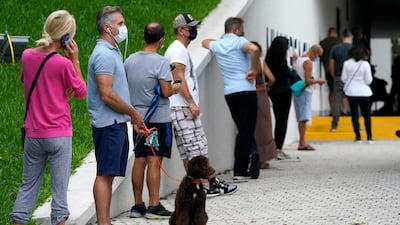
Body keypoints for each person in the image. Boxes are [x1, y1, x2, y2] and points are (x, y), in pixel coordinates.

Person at [10, 10, 86, 225]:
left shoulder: (27, 56)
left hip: (34, 134)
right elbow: (81, 91)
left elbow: (27, 81)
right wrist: (75, 61)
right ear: (66, 37)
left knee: (27, 186)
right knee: (59, 191)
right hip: (59, 134)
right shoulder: (63, 64)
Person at [86, 6, 147, 225]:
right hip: (108, 123)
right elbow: (107, 94)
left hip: (117, 121)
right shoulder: (103, 54)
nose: (124, 28)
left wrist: (129, 117)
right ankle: (104, 222)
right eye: (120, 23)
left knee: (109, 174)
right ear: (107, 27)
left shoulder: (112, 52)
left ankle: (105, 220)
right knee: (105, 174)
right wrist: (132, 112)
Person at [165, 13, 238, 195]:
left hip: (181, 107)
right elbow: (178, 78)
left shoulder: (179, 49)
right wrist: (191, 103)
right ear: (182, 30)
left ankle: (200, 185)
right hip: (182, 108)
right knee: (197, 150)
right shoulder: (177, 50)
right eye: (191, 27)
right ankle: (209, 184)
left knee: (190, 151)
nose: (194, 30)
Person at [125, 22, 179, 219]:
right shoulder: (161, 62)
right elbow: (165, 91)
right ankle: (154, 206)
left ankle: (137, 205)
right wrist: (176, 87)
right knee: (154, 160)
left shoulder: (129, 60)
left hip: (138, 119)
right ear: (162, 39)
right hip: (158, 120)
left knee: (139, 159)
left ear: (143, 37)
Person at [202, 17, 260, 180]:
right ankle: (240, 170)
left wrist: (221, 41)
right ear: (235, 30)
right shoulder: (239, 41)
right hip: (246, 90)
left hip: (230, 93)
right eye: (241, 29)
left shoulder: (219, 44)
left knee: (242, 128)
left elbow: (204, 42)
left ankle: (252, 153)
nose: (242, 32)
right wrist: (254, 69)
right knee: (245, 130)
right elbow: (254, 50)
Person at [263, 36, 296, 160]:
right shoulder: (282, 61)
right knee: (282, 120)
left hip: (273, 92)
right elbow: (291, 76)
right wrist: (294, 67)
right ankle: (278, 148)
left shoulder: (268, 59)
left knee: (276, 118)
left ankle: (274, 148)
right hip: (284, 92)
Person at [293, 44, 325, 150]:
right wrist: (318, 81)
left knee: (301, 118)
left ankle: (302, 141)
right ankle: (302, 142)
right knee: (304, 118)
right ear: (314, 53)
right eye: (318, 55)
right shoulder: (308, 62)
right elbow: (307, 80)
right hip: (305, 92)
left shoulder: (299, 59)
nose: (317, 58)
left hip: (299, 92)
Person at [251, 41, 277, 169]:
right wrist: (267, 86)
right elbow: (272, 78)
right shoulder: (261, 62)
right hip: (262, 94)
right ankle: (263, 159)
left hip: (249, 94)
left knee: (253, 127)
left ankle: (252, 157)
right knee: (264, 127)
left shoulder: (246, 63)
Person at [341, 45, 374, 143]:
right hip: (364, 92)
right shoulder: (365, 64)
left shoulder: (346, 63)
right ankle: (369, 137)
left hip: (351, 92)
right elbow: (369, 80)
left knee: (354, 115)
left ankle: (358, 137)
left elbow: (343, 78)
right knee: (367, 115)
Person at [329, 29, 353, 132]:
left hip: (339, 76)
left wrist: (334, 76)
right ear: (351, 37)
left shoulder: (335, 48)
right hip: (352, 79)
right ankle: (358, 126)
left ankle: (334, 125)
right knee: (354, 102)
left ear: (342, 38)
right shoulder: (354, 48)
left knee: (336, 101)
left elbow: (331, 65)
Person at [320, 27, 341, 114]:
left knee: (331, 91)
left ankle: (332, 111)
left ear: (328, 33)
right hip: (340, 70)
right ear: (336, 33)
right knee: (342, 92)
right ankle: (343, 110)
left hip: (328, 70)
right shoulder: (340, 42)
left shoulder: (323, 43)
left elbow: (320, 56)